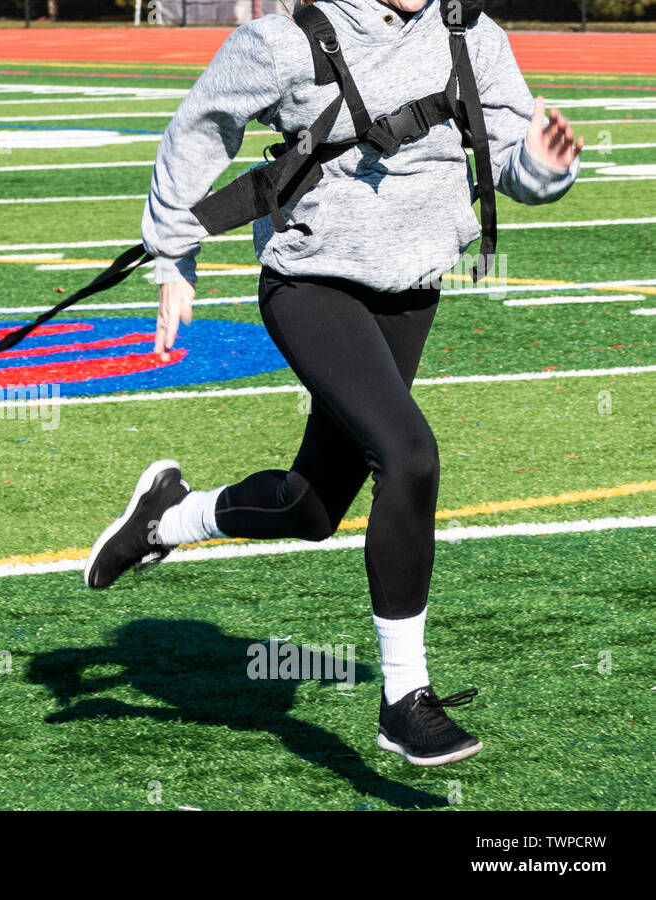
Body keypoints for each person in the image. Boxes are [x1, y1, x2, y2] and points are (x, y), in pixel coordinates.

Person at [83, 0, 583, 766]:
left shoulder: (471, 34)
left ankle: (166, 517)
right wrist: (172, 257)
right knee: (409, 454)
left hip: (409, 289)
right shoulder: (281, 43)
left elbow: (514, 159)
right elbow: (198, 130)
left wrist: (546, 167)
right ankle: (405, 699)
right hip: (311, 283)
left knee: (310, 507)